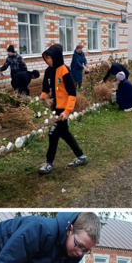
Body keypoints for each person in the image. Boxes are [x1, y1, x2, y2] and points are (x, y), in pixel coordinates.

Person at [38, 43, 89, 175]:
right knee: (65, 134)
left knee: (52, 135)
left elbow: (72, 93)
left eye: (50, 58)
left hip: (63, 110)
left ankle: (49, 163)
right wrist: (41, 99)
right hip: (55, 108)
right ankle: (81, 156)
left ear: (56, 57)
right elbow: (45, 89)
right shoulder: (48, 71)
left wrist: (67, 111)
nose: (48, 60)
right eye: (46, 58)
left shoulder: (64, 71)